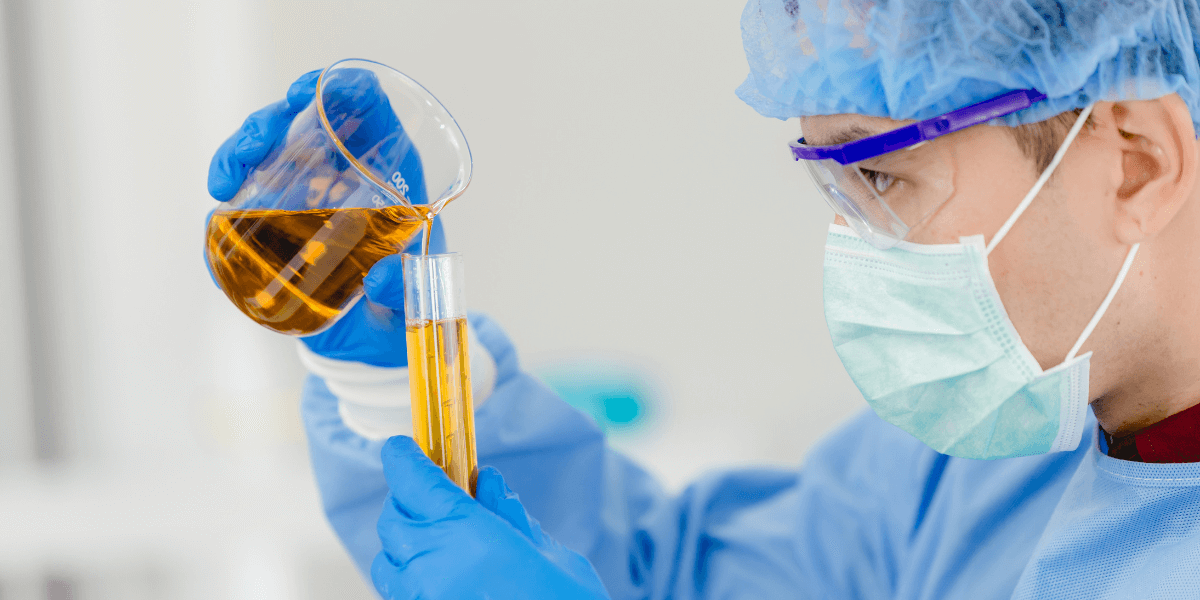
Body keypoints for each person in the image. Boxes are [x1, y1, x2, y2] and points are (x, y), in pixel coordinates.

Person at [207, 0, 1200, 598]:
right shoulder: (985, 466)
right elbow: (670, 581)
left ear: (1136, 163)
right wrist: (397, 365)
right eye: (830, 184)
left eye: (883, 178)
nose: (852, 246)